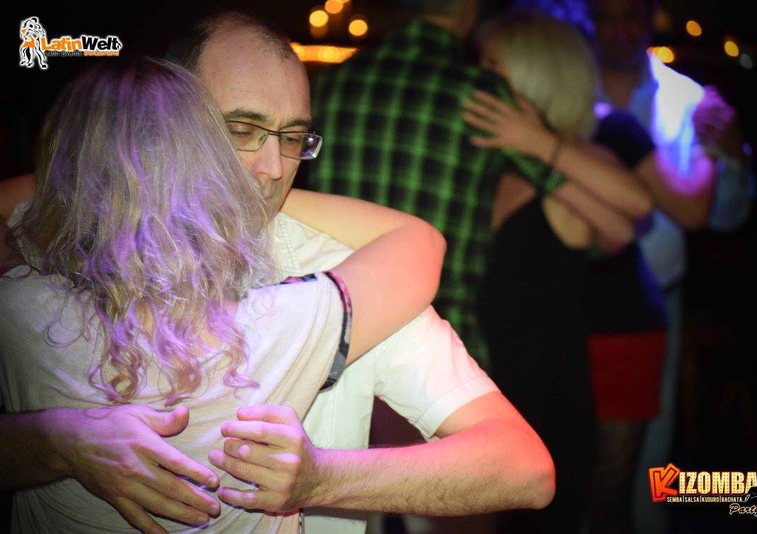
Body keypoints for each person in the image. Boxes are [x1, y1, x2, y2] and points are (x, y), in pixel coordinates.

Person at [0, 8, 556, 534]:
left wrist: (325, 477)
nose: (272, 168)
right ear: (168, 124)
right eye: (243, 129)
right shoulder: (36, 254)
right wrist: (52, 442)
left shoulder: (345, 269)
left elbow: (522, 465)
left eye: (293, 139)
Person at [463, 10, 656, 533]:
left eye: (493, 66)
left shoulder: (571, 161)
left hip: (544, 410)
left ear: (537, 75)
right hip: (479, 401)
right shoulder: (489, 160)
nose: (476, 77)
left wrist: (537, 142)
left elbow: (634, 211)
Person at [306, 0, 566, 373]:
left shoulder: (330, 83)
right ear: (469, 10)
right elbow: (563, 183)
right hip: (439, 341)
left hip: (341, 335)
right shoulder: (482, 94)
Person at [586, 1, 755, 532]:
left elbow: (722, 215)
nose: (620, 30)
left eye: (631, 15)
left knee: (650, 457)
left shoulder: (687, 99)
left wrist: (732, 156)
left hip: (657, 299)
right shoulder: (567, 88)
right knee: (576, 455)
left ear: (651, 17)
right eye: (607, 16)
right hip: (576, 300)